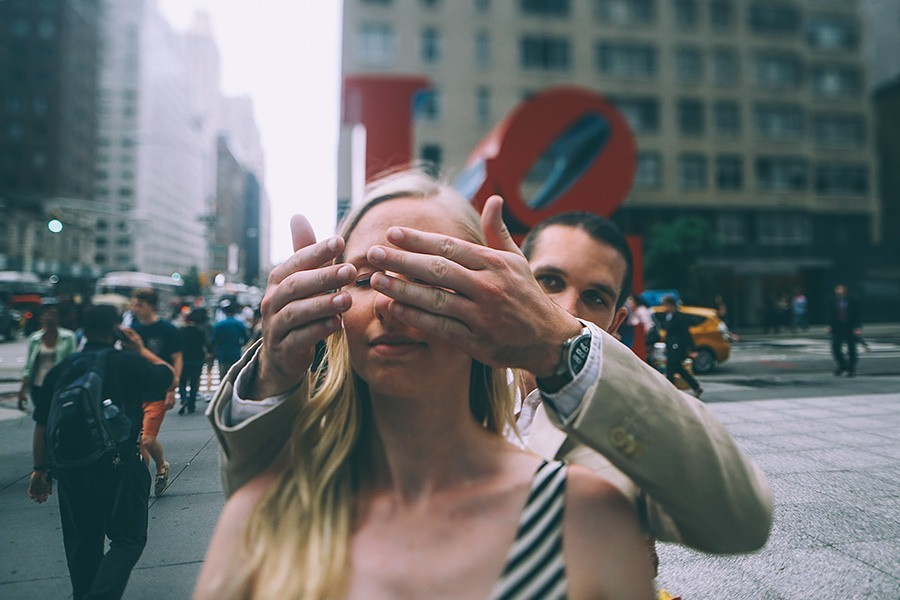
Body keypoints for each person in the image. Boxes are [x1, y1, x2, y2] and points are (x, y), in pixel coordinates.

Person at [207, 171, 771, 566]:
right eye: (547, 282)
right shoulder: (333, 436)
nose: (562, 310)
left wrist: (558, 347)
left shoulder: (609, 448)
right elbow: (256, 510)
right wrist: (274, 375)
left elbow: (739, 520)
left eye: (594, 298)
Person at [27, 304, 174, 600]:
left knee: (83, 545)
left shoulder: (63, 369)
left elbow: (42, 424)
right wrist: (139, 348)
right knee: (128, 537)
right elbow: (166, 376)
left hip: (71, 469)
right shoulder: (125, 362)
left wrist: (40, 470)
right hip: (120, 465)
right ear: (115, 328)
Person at [130, 288, 182, 495]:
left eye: (139, 305)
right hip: (136, 390)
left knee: (147, 439)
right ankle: (143, 480)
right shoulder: (133, 329)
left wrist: (172, 388)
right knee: (138, 438)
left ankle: (161, 465)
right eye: (134, 304)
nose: (135, 308)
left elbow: (177, 357)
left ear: (151, 306)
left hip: (158, 390)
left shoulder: (167, 329)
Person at [17, 303, 78, 411]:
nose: (49, 317)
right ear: (41, 318)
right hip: (38, 386)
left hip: (58, 386)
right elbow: (28, 366)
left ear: (59, 318)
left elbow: (72, 363)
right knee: (41, 416)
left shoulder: (68, 337)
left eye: (53, 314)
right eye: (46, 314)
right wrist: (22, 390)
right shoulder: (35, 339)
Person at [659, 295, 704, 398]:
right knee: (679, 369)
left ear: (670, 305)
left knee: (671, 368)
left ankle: (671, 392)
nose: (663, 307)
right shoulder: (667, 317)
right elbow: (667, 333)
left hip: (678, 347)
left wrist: (692, 349)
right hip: (671, 346)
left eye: (665, 305)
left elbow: (686, 333)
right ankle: (696, 386)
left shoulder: (679, 317)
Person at [178, 307, 209, 415]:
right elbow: (206, 344)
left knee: (182, 381)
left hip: (184, 359)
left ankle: (183, 398)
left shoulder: (181, 331)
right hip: (197, 359)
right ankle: (191, 405)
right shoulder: (200, 331)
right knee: (194, 382)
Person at [827, 283, 861, 377]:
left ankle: (851, 369)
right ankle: (843, 365)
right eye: (837, 289)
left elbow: (856, 315)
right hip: (837, 327)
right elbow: (831, 314)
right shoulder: (833, 301)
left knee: (851, 349)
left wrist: (857, 327)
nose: (838, 291)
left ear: (845, 290)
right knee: (835, 347)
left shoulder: (852, 300)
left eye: (840, 289)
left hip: (850, 327)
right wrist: (830, 325)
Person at [211, 301, 249, 378]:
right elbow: (246, 338)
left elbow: (214, 340)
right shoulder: (240, 324)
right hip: (235, 353)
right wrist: (241, 344)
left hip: (222, 354)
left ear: (224, 312)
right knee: (235, 376)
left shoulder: (219, 325)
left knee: (223, 377)